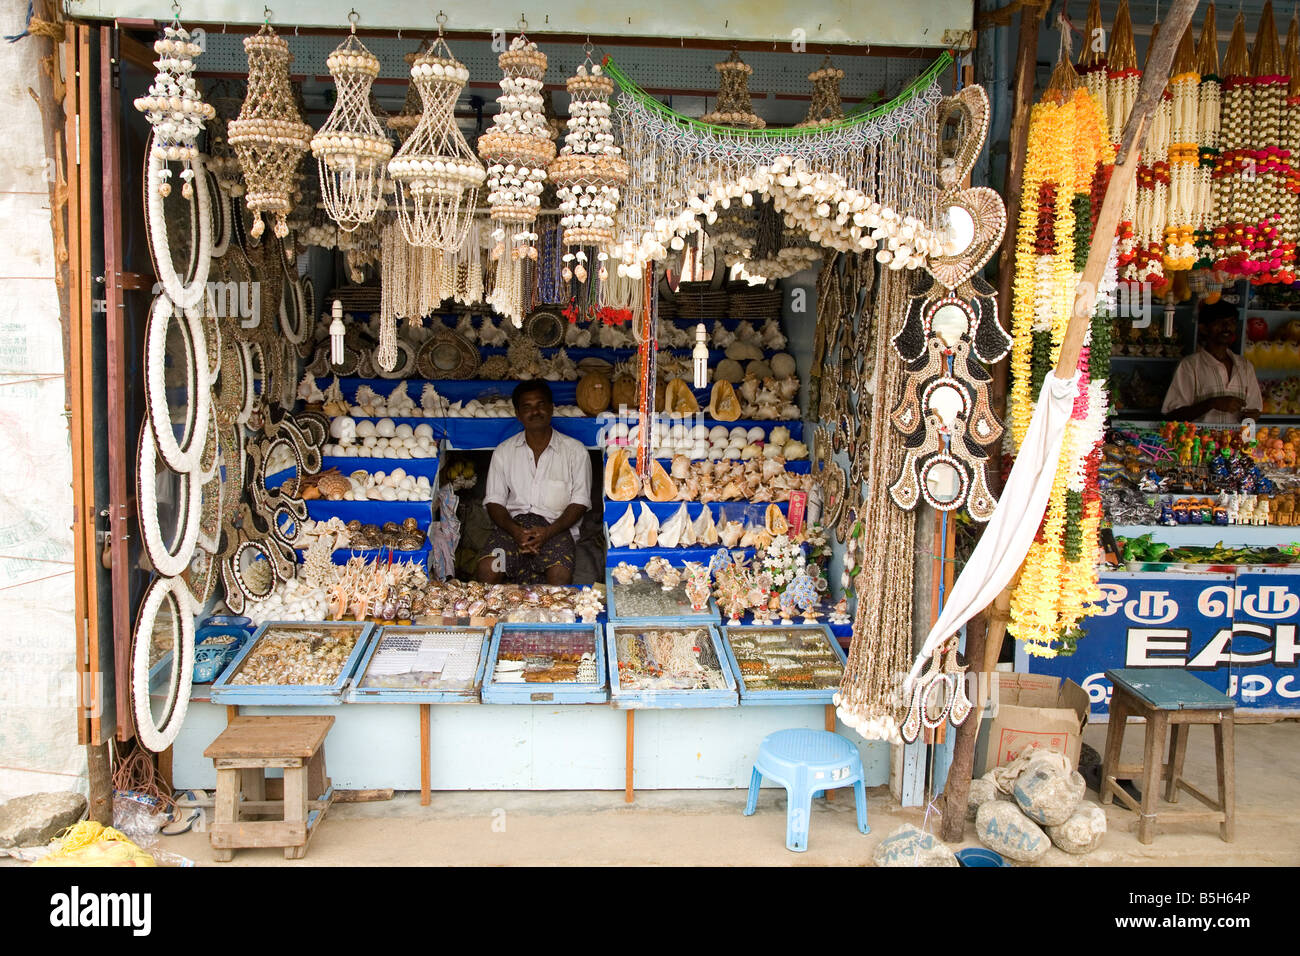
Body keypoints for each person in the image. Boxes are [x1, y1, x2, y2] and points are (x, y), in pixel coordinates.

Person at [476, 380, 591, 585]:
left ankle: (555, 617)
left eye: (540, 404)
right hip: (514, 529)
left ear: (551, 408)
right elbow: (494, 501)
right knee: (489, 568)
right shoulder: (504, 451)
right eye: (527, 407)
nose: (535, 411)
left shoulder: (575, 451)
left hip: (556, 529)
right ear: (518, 414)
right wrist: (516, 532)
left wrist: (548, 532)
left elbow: (579, 502)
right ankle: (490, 616)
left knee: (559, 574)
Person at [1161, 296, 1262, 424]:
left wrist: (1252, 416)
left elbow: (1254, 410)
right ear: (1203, 328)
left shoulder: (1245, 366)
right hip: (1198, 442)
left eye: (1231, 322)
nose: (1226, 327)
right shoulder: (1190, 365)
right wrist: (1212, 403)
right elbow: (1172, 415)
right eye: (1219, 322)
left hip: (1236, 442)